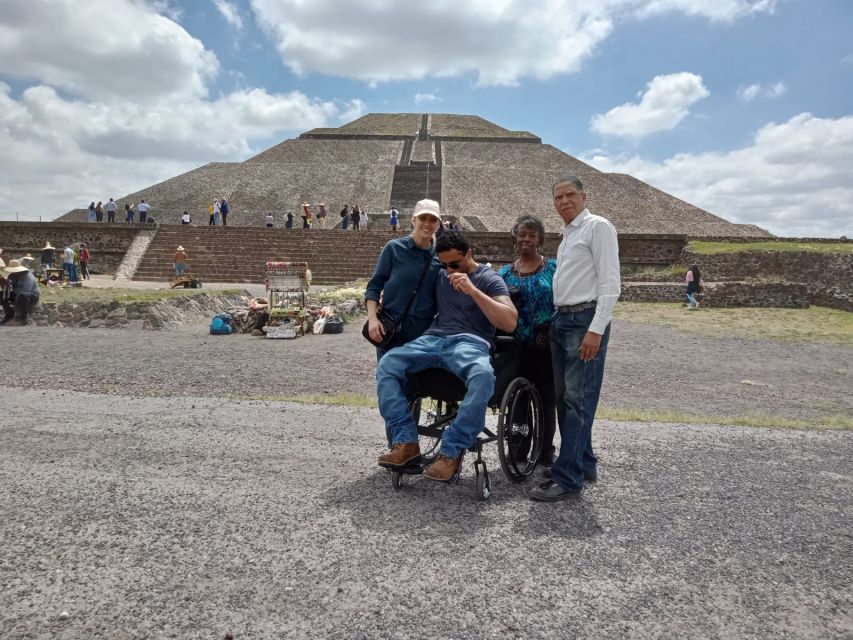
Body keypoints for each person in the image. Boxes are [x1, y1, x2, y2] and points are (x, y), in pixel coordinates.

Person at [375, 229, 518, 482]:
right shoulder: (441, 275)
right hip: (433, 339)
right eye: (445, 265)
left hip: (470, 343)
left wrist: (473, 290)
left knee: (483, 375)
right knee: (388, 363)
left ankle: (451, 451)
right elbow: (406, 283)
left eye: (455, 264)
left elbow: (509, 322)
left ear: (469, 254)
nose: (450, 270)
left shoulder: (489, 278)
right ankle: (406, 441)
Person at [530, 176, 620, 502]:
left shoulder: (598, 227)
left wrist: (596, 329)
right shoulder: (568, 235)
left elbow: (611, 284)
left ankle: (568, 477)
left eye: (570, 195)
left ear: (584, 196)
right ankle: (583, 462)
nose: (564, 201)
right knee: (565, 398)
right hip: (562, 319)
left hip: (584, 320)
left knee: (578, 401)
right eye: (558, 197)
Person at [498, 215, 558, 467]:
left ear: (540, 239)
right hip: (515, 345)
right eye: (522, 234)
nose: (526, 239)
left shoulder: (554, 268)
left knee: (546, 399)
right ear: (515, 238)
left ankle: (545, 452)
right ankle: (518, 448)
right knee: (517, 400)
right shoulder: (504, 273)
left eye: (532, 235)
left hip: (546, 344)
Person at [365, 199, 442, 361]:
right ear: (414, 220)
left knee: (418, 384)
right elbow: (374, 285)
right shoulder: (394, 248)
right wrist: (372, 319)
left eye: (433, 219)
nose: (427, 224)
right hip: (391, 329)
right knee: (389, 381)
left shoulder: (440, 257)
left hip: (423, 333)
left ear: (438, 224)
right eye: (423, 218)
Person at [1, 259, 40, 325]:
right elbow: (8, 289)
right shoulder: (12, 275)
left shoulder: (28, 276)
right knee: (1, 295)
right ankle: (9, 314)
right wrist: (4, 283)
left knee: (22, 295)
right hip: (18, 293)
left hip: (32, 295)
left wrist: (16, 298)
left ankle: (23, 318)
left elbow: (27, 290)